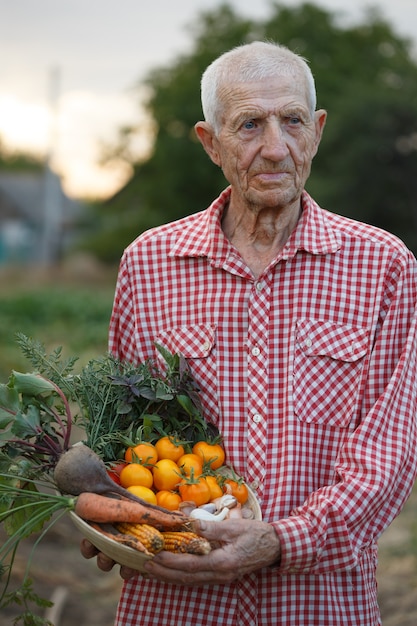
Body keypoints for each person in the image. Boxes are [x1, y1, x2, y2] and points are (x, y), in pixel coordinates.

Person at [81, 41, 417, 625]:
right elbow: (123, 435)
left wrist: (282, 540)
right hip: (174, 601)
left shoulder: (384, 266)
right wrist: (115, 515)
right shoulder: (150, 263)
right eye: (249, 125)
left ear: (316, 131)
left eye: (291, 121)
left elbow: (387, 457)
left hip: (317, 606)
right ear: (211, 142)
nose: (274, 147)